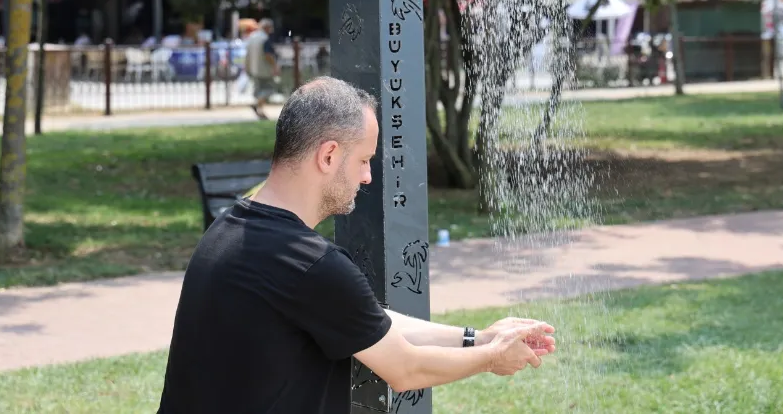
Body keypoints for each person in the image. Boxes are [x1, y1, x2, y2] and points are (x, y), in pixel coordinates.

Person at [157, 77, 556, 414]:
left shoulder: (230, 229)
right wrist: (492, 358)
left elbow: (365, 319)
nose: (367, 177)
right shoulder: (311, 265)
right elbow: (406, 369)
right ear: (329, 155)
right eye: (364, 160)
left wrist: (477, 337)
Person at [244, 17, 281, 118]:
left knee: (259, 90)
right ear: (267, 27)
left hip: (254, 69)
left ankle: (260, 112)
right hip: (264, 70)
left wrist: (247, 68)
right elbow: (268, 55)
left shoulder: (252, 37)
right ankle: (256, 106)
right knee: (269, 90)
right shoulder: (264, 39)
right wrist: (275, 66)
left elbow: (247, 54)